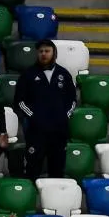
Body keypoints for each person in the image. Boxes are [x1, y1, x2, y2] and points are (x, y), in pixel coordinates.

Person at [14, 39, 77, 179]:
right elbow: (19, 101)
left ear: (54, 53)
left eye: (47, 51)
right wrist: (34, 117)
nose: (43, 54)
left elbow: (72, 100)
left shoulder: (64, 74)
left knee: (57, 171)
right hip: (36, 132)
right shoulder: (28, 74)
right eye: (41, 51)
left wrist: (64, 116)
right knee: (32, 170)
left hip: (59, 132)